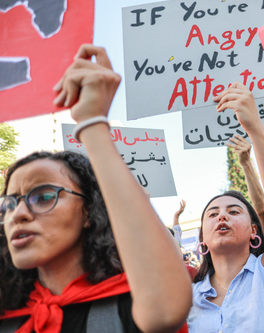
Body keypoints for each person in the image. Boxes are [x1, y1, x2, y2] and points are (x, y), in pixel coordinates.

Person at [0, 45, 192, 332]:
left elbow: (166, 309)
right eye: (9, 203)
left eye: (43, 197)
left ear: (89, 211)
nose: (19, 214)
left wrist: (91, 122)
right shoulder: (9, 314)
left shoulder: (130, 307)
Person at [186, 83, 264, 333]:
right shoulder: (185, 299)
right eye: (213, 213)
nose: (222, 215)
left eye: (233, 211)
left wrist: (255, 129)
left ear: (254, 231)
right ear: (202, 239)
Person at [227, 134, 264, 239]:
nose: (223, 217)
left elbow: (261, 210)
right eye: (213, 214)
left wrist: (245, 163)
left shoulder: (257, 239)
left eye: (234, 212)